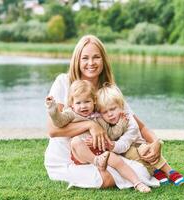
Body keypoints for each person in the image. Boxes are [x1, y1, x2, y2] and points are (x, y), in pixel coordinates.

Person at [44, 35, 162, 189]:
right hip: (67, 158)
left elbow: (138, 125)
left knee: (141, 172)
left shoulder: (109, 90)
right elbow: (53, 130)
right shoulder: (63, 82)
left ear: (103, 60)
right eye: (85, 58)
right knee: (106, 179)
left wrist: (156, 142)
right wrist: (91, 125)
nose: (91, 63)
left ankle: (123, 174)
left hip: (103, 155)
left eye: (96, 57)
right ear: (77, 60)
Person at [45, 80, 151, 192]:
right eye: (78, 103)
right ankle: (96, 162)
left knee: (117, 161)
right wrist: (53, 109)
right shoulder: (71, 114)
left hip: (100, 152)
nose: (83, 106)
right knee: (75, 141)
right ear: (72, 104)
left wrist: (121, 123)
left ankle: (137, 183)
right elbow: (59, 122)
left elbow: (111, 133)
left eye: (87, 102)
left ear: (94, 101)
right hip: (82, 154)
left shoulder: (99, 118)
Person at [92, 83, 184, 186]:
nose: (110, 114)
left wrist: (112, 145)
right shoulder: (102, 122)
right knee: (131, 154)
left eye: (112, 109)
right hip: (121, 151)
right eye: (105, 112)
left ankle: (170, 172)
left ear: (121, 106)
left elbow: (124, 143)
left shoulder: (130, 121)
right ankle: (156, 172)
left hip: (135, 144)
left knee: (143, 150)